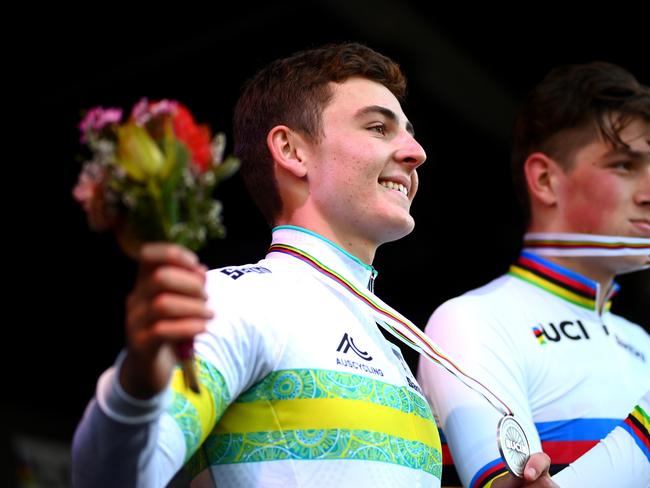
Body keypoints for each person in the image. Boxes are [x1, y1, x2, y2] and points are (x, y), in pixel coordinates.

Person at [70, 42, 555, 488]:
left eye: (409, 133)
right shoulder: (239, 300)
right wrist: (136, 387)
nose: (416, 153)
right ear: (292, 151)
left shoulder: (386, 343)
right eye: (378, 127)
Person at [417, 61, 650, 488]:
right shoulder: (471, 321)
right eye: (624, 165)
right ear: (545, 180)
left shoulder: (642, 341)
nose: (648, 191)